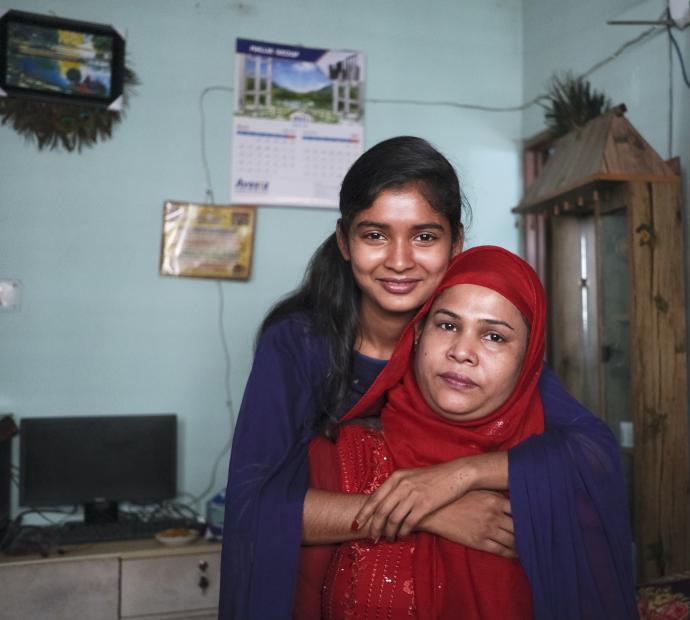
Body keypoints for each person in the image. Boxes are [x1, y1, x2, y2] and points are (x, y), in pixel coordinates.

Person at [219, 137, 635, 619]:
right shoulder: (300, 343)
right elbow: (255, 507)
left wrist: (459, 476)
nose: (399, 260)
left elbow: (586, 451)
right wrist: (434, 512)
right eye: (375, 235)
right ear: (343, 240)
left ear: (456, 243)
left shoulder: (469, 338)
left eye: (424, 237)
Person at [303, 246, 638, 619]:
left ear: (528, 361)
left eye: (494, 337)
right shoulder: (345, 450)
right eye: (447, 325)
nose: (463, 351)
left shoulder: (560, 476)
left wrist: (464, 474)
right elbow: (264, 523)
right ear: (416, 335)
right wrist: (428, 512)